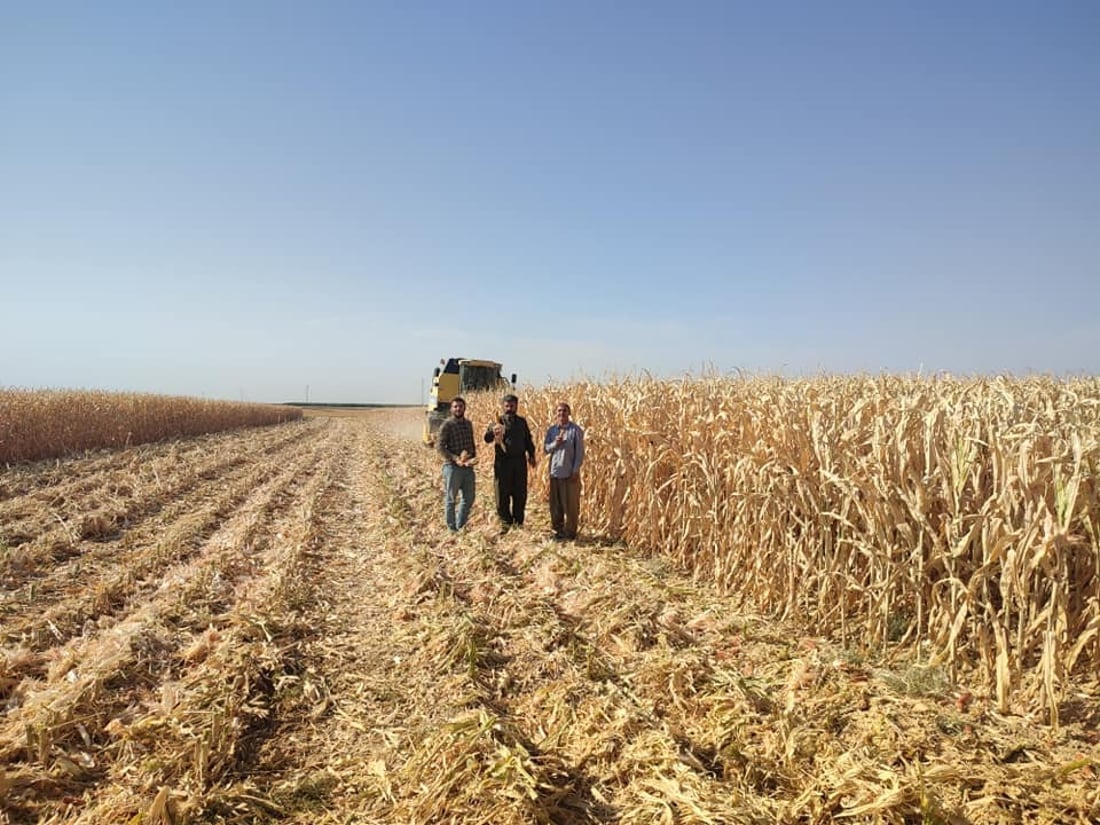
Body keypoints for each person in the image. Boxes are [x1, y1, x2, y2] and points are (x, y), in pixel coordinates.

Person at [483, 393, 537, 531]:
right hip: (503, 462)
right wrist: (493, 432)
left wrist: (531, 455)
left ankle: (518, 523)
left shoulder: (522, 422)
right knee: (502, 493)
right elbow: (487, 439)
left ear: (516, 406)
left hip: (519, 462)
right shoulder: (497, 422)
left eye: (512, 406)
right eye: (507, 406)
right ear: (503, 406)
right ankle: (505, 523)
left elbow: (528, 440)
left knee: (520, 493)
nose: (509, 408)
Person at [544, 401, 584, 540]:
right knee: (555, 505)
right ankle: (557, 531)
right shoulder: (552, 430)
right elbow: (546, 449)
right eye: (559, 411)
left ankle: (571, 532)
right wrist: (556, 443)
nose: (561, 413)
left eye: (564, 411)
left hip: (569, 474)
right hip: (555, 472)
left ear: (569, 413)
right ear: (556, 413)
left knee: (571, 506)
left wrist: (575, 470)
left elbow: (579, 453)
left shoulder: (575, 430)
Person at [437, 396, 477, 531]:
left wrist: (472, 458)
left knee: (469, 498)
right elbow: (440, 447)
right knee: (451, 499)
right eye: (455, 406)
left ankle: (461, 525)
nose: (458, 409)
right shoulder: (447, 425)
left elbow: (471, 444)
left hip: (467, 468)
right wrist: (456, 459)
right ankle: (452, 528)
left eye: (460, 406)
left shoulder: (468, 424)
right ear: (451, 409)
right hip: (452, 468)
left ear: (464, 408)